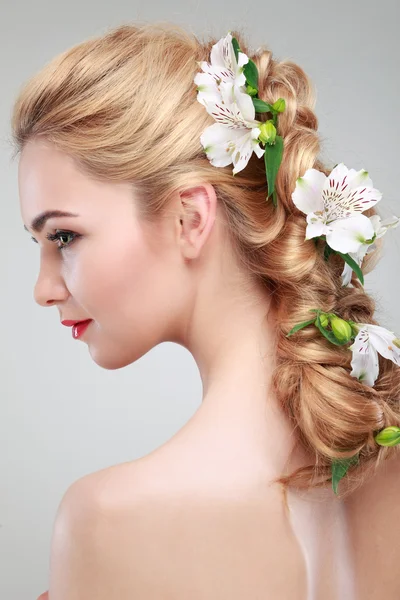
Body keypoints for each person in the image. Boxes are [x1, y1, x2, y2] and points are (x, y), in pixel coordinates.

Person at [12, 21, 400, 599]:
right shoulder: (385, 450)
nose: (42, 289)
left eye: (64, 237)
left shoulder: (109, 521)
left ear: (189, 219)